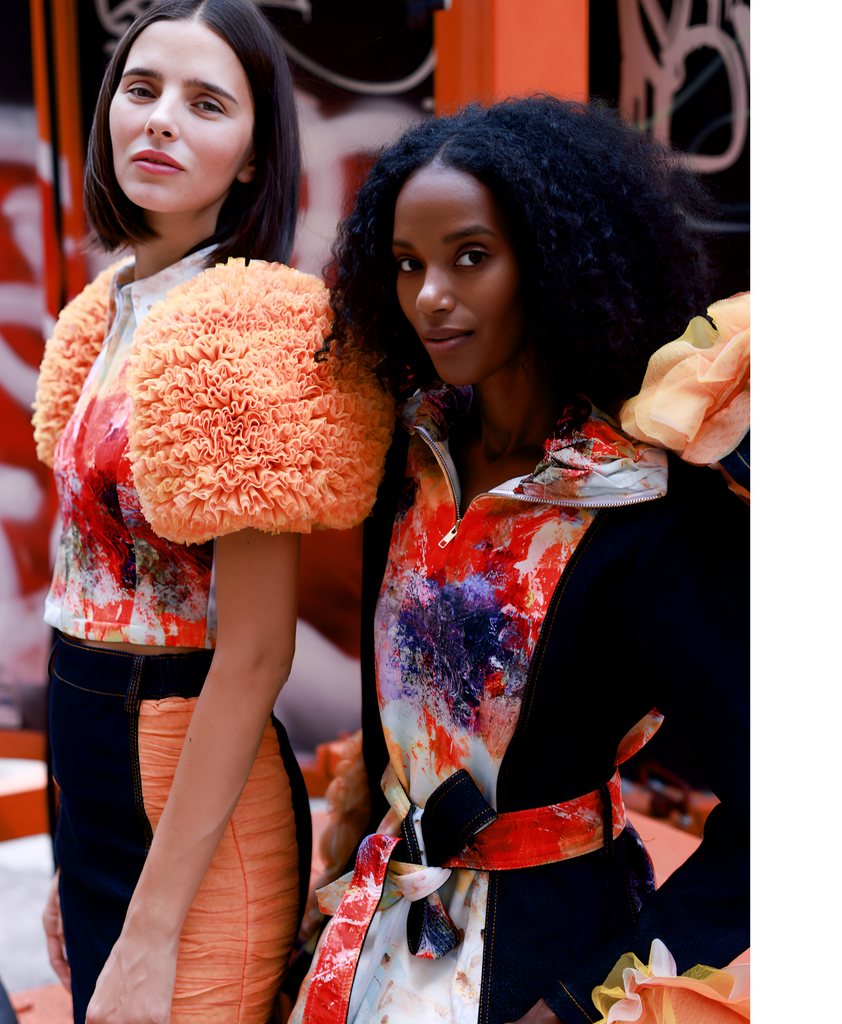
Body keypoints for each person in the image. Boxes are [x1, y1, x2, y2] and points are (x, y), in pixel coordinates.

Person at [289, 98, 750, 1024]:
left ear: (552, 259)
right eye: (407, 264)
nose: (430, 295)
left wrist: (579, 1003)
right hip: (373, 946)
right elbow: (390, 738)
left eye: (470, 256)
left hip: (547, 964)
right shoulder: (406, 458)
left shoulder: (647, 506)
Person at [30, 4, 393, 1023]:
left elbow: (256, 654)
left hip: (190, 780)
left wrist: (150, 931)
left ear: (254, 156)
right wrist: (73, 845)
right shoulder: (103, 309)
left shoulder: (255, 327)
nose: (160, 120)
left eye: (206, 104)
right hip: (91, 764)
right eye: (142, 90)